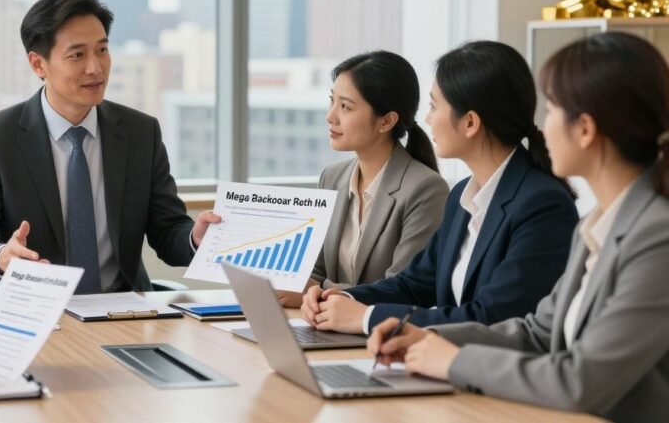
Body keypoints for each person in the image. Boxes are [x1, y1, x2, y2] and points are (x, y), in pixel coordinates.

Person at [368, 32, 669, 421]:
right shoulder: (596, 227)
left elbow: (580, 381)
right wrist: (429, 338)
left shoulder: (657, 238)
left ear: (585, 129)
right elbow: (536, 333)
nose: (542, 125)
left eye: (553, 109)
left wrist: (453, 361)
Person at [0, 0, 220, 295]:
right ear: (38, 64)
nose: (95, 67)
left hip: (122, 309)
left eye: (102, 50)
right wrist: (1, 257)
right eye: (77, 55)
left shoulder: (141, 133)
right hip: (32, 308)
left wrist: (194, 238)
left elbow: (167, 230)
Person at [301, 40, 578, 334]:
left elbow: (491, 317)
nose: (428, 119)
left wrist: (366, 318)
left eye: (434, 106)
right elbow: (415, 284)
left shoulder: (542, 205)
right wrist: (340, 299)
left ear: (470, 123)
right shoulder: (463, 196)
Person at [281, 51, 448, 307]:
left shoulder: (425, 189)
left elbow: (402, 289)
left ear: (386, 121)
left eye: (345, 106)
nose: (330, 116)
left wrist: (320, 290)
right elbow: (317, 269)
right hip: (326, 322)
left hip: (381, 327)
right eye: (332, 101)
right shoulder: (332, 177)